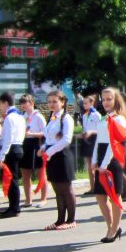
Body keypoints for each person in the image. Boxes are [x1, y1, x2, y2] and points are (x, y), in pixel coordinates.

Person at [91, 87, 126, 241]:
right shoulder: (103, 118)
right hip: (101, 157)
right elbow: (98, 141)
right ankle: (111, 225)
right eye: (104, 99)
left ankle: (114, 229)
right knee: (100, 196)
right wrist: (94, 160)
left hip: (112, 159)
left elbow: (114, 144)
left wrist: (104, 164)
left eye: (109, 99)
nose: (106, 102)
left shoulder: (118, 118)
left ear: (116, 100)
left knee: (114, 196)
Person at [39, 90, 76, 230]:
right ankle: (60, 220)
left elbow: (67, 139)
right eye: (49, 102)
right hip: (52, 156)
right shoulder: (52, 117)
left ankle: (71, 219)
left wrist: (49, 151)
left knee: (66, 189)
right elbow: (50, 138)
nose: (51, 104)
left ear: (62, 102)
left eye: (55, 101)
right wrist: (43, 147)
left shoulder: (66, 118)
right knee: (57, 189)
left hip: (62, 156)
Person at [0, 92, 25, 218]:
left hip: (11, 149)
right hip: (19, 147)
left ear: (5, 103)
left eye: (0, 104)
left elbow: (7, 139)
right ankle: (13, 206)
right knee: (14, 179)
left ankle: (14, 208)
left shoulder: (10, 117)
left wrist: (2, 155)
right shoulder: (20, 116)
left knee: (11, 179)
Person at [18, 94, 48, 208]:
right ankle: (28, 199)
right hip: (25, 144)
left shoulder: (38, 116)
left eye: (24, 102)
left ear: (31, 103)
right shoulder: (22, 116)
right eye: (21, 103)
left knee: (40, 173)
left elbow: (45, 133)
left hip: (36, 144)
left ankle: (43, 198)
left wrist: (31, 134)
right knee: (25, 174)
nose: (22, 105)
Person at [80, 94, 101, 194]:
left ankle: (98, 186)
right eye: (83, 103)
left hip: (94, 139)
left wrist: (91, 132)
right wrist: (83, 134)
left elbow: (100, 129)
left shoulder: (96, 115)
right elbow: (85, 128)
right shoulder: (84, 115)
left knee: (95, 164)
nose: (84, 105)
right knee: (89, 165)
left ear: (92, 103)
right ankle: (92, 187)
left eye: (86, 103)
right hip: (87, 139)